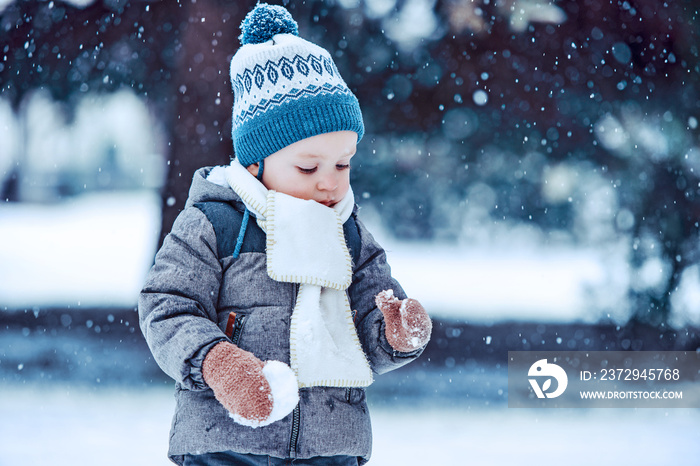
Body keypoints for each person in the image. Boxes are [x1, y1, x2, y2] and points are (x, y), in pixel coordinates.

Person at [138, 3, 432, 465]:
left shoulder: (349, 235)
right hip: (229, 443)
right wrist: (217, 362)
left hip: (330, 447)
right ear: (256, 162)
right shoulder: (216, 223)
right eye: (309, 165)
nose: (329, 180)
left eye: (342, 163)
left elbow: (367, 327)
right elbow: (167, 306)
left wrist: (394, 334)